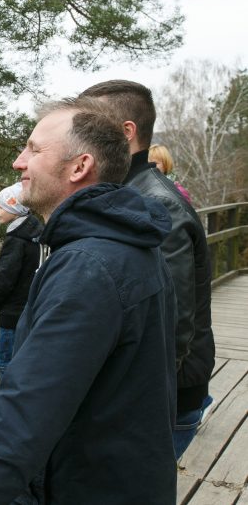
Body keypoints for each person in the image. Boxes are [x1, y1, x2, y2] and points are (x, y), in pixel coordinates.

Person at [0, 98, 177, 504]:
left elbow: (16, 430)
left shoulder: (87, 268)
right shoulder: (130, 243)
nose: (19, 162)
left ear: (80, 166)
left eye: (34, 149)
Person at [82, 80, 214, 458]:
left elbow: (172, 323)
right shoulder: (127, 191)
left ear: (127, 132)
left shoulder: (158, 205)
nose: (80, 132)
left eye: (90, 122)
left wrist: (131, 402)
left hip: (161, 398)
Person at [0, 182, 42, 378]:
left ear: (13, 207)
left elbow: (5, 279)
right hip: (28, 312)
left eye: (0, 205)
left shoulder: (16, 240)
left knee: (5, 366)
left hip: (12, 315)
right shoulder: (34, 233)